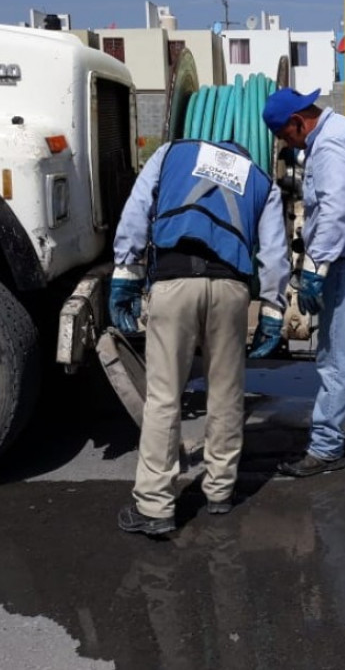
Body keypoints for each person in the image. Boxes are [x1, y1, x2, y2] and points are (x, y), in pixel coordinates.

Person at [111, 138, 290, 535]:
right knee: (226, 393)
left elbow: (137, 210)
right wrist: (272, 310)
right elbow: (275, 253)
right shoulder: (262, 181)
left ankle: (155, 506)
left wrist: (126, 272)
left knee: (164, 396)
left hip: (174, 281)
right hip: (230, 289)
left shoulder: (171, 153)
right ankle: (220, 491)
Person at [262, 88, 345, 477]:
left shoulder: (330, 144)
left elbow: (335, 210)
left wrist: (314, 269)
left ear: (298, 122)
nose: (289, 145)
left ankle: (326, 448)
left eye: (287, 137)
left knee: (335, 359)